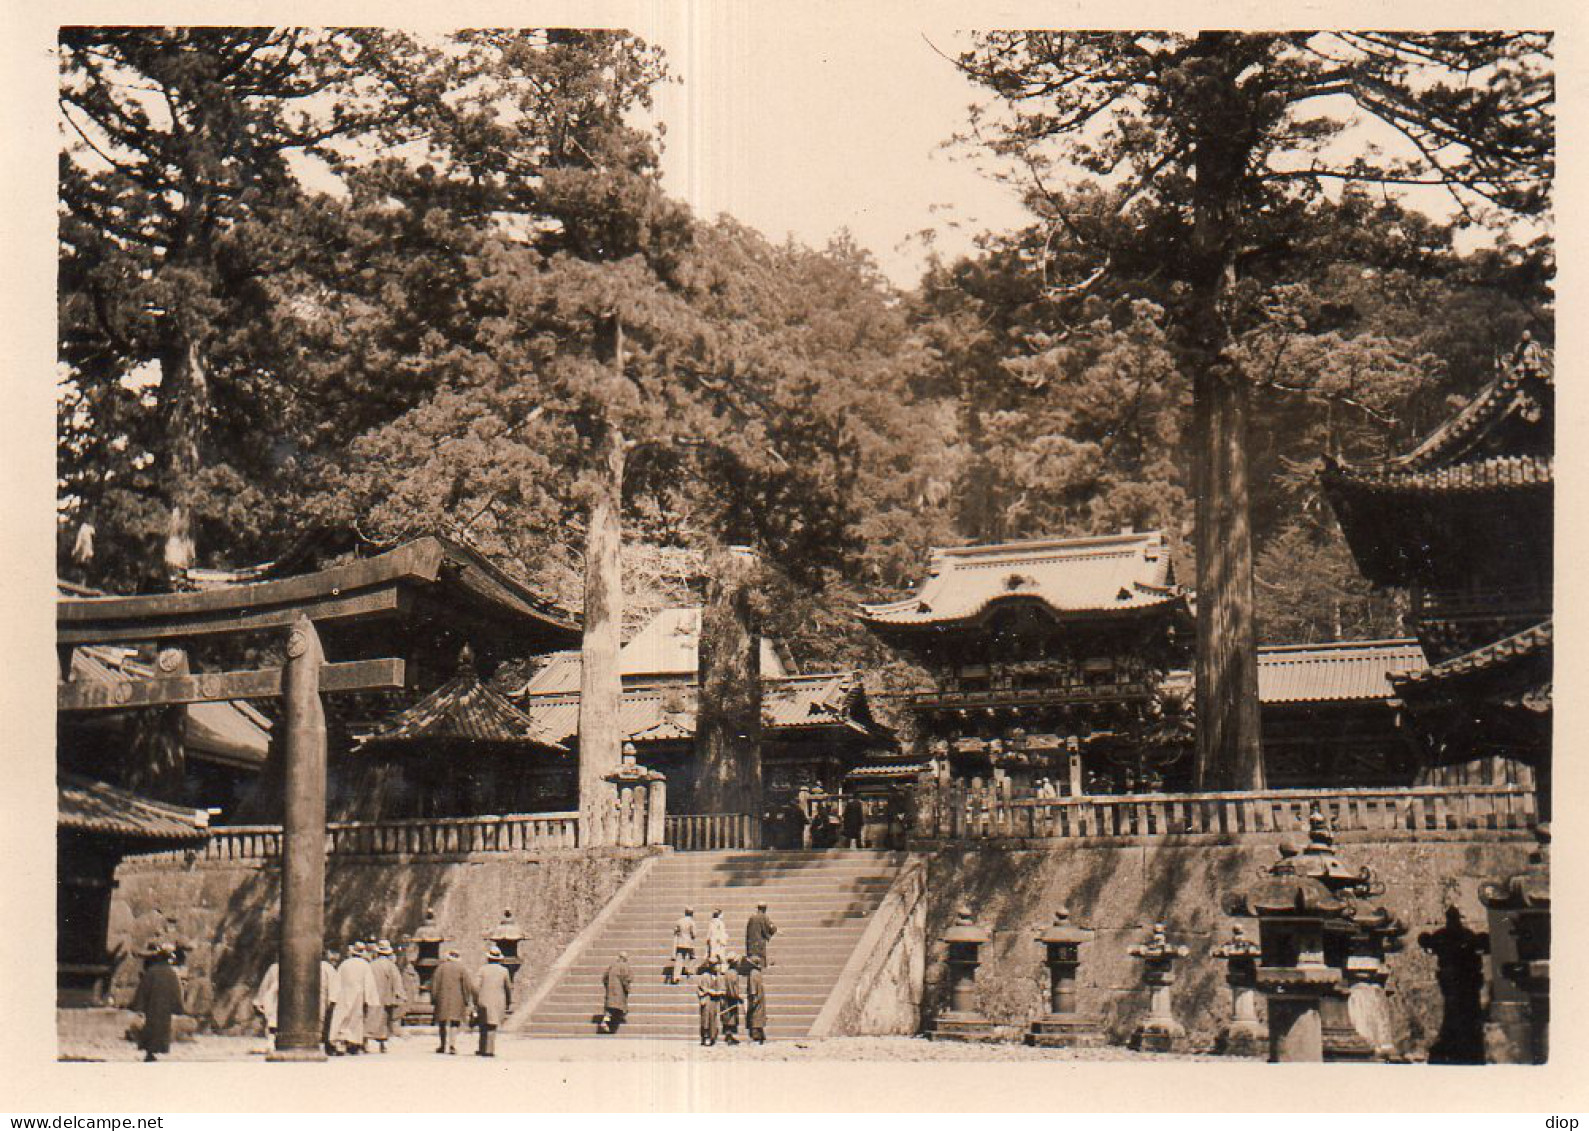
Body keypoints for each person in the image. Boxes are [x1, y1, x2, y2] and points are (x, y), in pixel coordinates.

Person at [131, 945, 184, 1062]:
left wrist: (139, 1005)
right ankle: (155, 1051)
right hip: (165, 1007)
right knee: (162, 1029)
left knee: (150, 1027)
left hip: (152, 1006)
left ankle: (149, 1052)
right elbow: (177, 991)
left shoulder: (151, 972)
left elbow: (143, 989)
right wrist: (178, 1006)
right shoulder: (172, 973)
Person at [330, 941, 382, 1054]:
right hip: (358, 994)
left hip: (344, 993)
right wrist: (370, 998)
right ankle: (352, 1042)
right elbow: (369, 982)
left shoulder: (344, 964)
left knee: (343, 1016)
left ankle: (341, 1041)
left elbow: (337, 980)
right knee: (355, 1017)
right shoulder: (365, 965)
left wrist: (333, 996)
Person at [430, 947, 474, 1055]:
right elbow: (467, 986)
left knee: (442, 1022)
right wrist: (467, 999)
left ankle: (442, 1045)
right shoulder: (462, 968)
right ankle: (452, 1045)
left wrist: (434, 998)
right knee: (455, 1022)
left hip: (442, 998)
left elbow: (434, 985)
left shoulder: (440, 968)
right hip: (457, 999)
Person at [367, 940, 406, 1052]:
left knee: (370, 1018)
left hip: (372, 996)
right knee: (384, 1021)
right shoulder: (391, 966)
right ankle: (382, 1044)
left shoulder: (371, 965)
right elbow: (397, 982)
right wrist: (400, 995)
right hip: (386, 997)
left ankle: (367, 1042)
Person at [473, 946, 513, 1057]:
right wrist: (509, 1001)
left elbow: (475, 986)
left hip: (483, 999)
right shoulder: (504, 971)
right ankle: (489, 1050)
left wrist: (476, 999)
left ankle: (481, 1048)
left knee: (483, 1025)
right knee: (492, 1025)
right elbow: (508, 988)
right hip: (497, 1001)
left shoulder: (482, 969)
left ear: (488, 958)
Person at [599, 952, 631, 1034]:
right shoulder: (624, 966)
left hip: (610, 989)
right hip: (619, 991)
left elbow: (604, 978)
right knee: (618, 1008)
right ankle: (606, 1022)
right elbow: (626, 979)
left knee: (610, 1009)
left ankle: (606, 1022)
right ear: (625, 959)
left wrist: (608, 987)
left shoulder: (612, 965)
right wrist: (627, 988)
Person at [253, 961, 279, 1054]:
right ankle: (272, 1039)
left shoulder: (275, 968)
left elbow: (265, 989)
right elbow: (266, 989)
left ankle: (272, 1039)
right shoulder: (275, 968)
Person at [695, 960, 723, 1046]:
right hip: (707, 999)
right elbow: (703, 988)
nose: (718, 967)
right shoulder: (705, 976)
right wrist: (713, 992)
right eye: (717, 965)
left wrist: (719, 992)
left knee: (713, 1019)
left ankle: (712, 1038)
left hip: (714, 1001)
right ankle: (704, 1038)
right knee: (705, 1019)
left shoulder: (717, 976)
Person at [320, 946, 341, 1055]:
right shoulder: (329, 968)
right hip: (326, 999)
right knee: (327, 1023)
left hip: (319, 998)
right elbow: (333, 987)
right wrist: (333, 1000)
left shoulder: (319, 966)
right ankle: (328, 1046)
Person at [669, 907, 697, 984]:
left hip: (680, 942)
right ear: (692, 914)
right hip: (689, 943)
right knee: (693, 957)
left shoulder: (679, 921)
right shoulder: (692, 922)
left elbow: (675, 931)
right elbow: (694, 934)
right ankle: (689, 970)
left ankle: (676, 977)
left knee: (679, 960)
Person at [719, 955, 742, 1045]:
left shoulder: (726, 973)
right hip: (731, 998)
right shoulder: (734, 974)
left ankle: (729, 1036)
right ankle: (729, 1037)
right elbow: (734, 988)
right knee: (731, 1017)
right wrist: (737, 997)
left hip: (725, 997)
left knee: (727, 1017)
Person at [744, 955, 767, 1045]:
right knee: (759, 1017)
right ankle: (761, 1036)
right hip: (760, 998)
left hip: (755, 998)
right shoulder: (758, 973)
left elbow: (753, 989)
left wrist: (752, 1000)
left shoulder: (752, 973)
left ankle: (756, 1038)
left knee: (754, 1018)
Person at [745, 901, 777, 966]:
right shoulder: (764, 917)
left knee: (752, 959)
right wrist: (773, 931)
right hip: (760, 942)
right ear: (765, 909)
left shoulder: (752, 917)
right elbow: (772, 928)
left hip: (751, 942)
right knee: (760, 959)